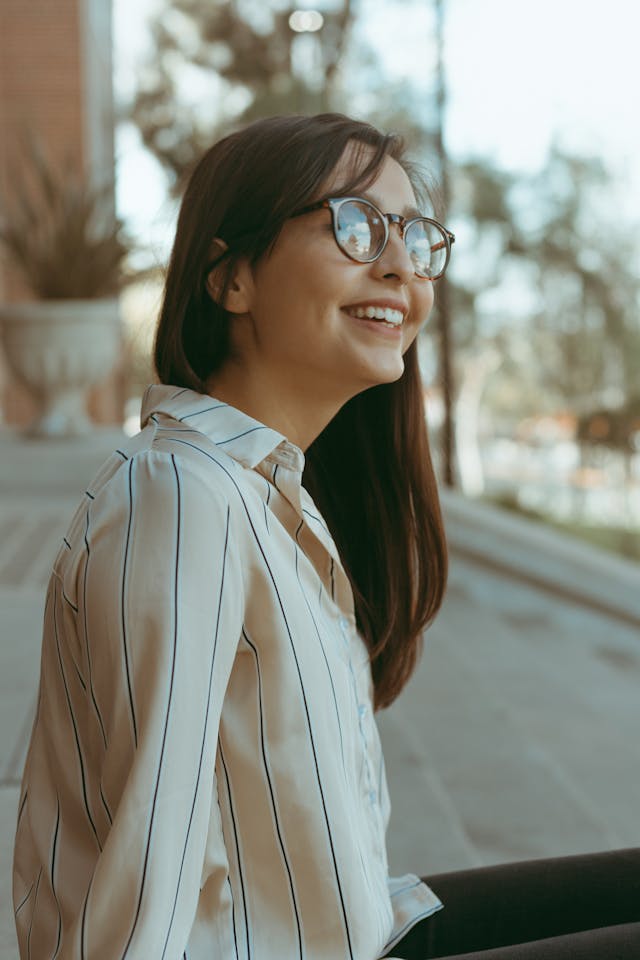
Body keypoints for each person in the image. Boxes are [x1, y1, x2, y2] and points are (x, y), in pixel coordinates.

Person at [12, 113, 639, 960]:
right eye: (353, 225)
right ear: (230, 277)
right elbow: (143, 861)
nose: (397, 265)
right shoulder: (183, 496)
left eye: (415, 237)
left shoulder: (269, 494)